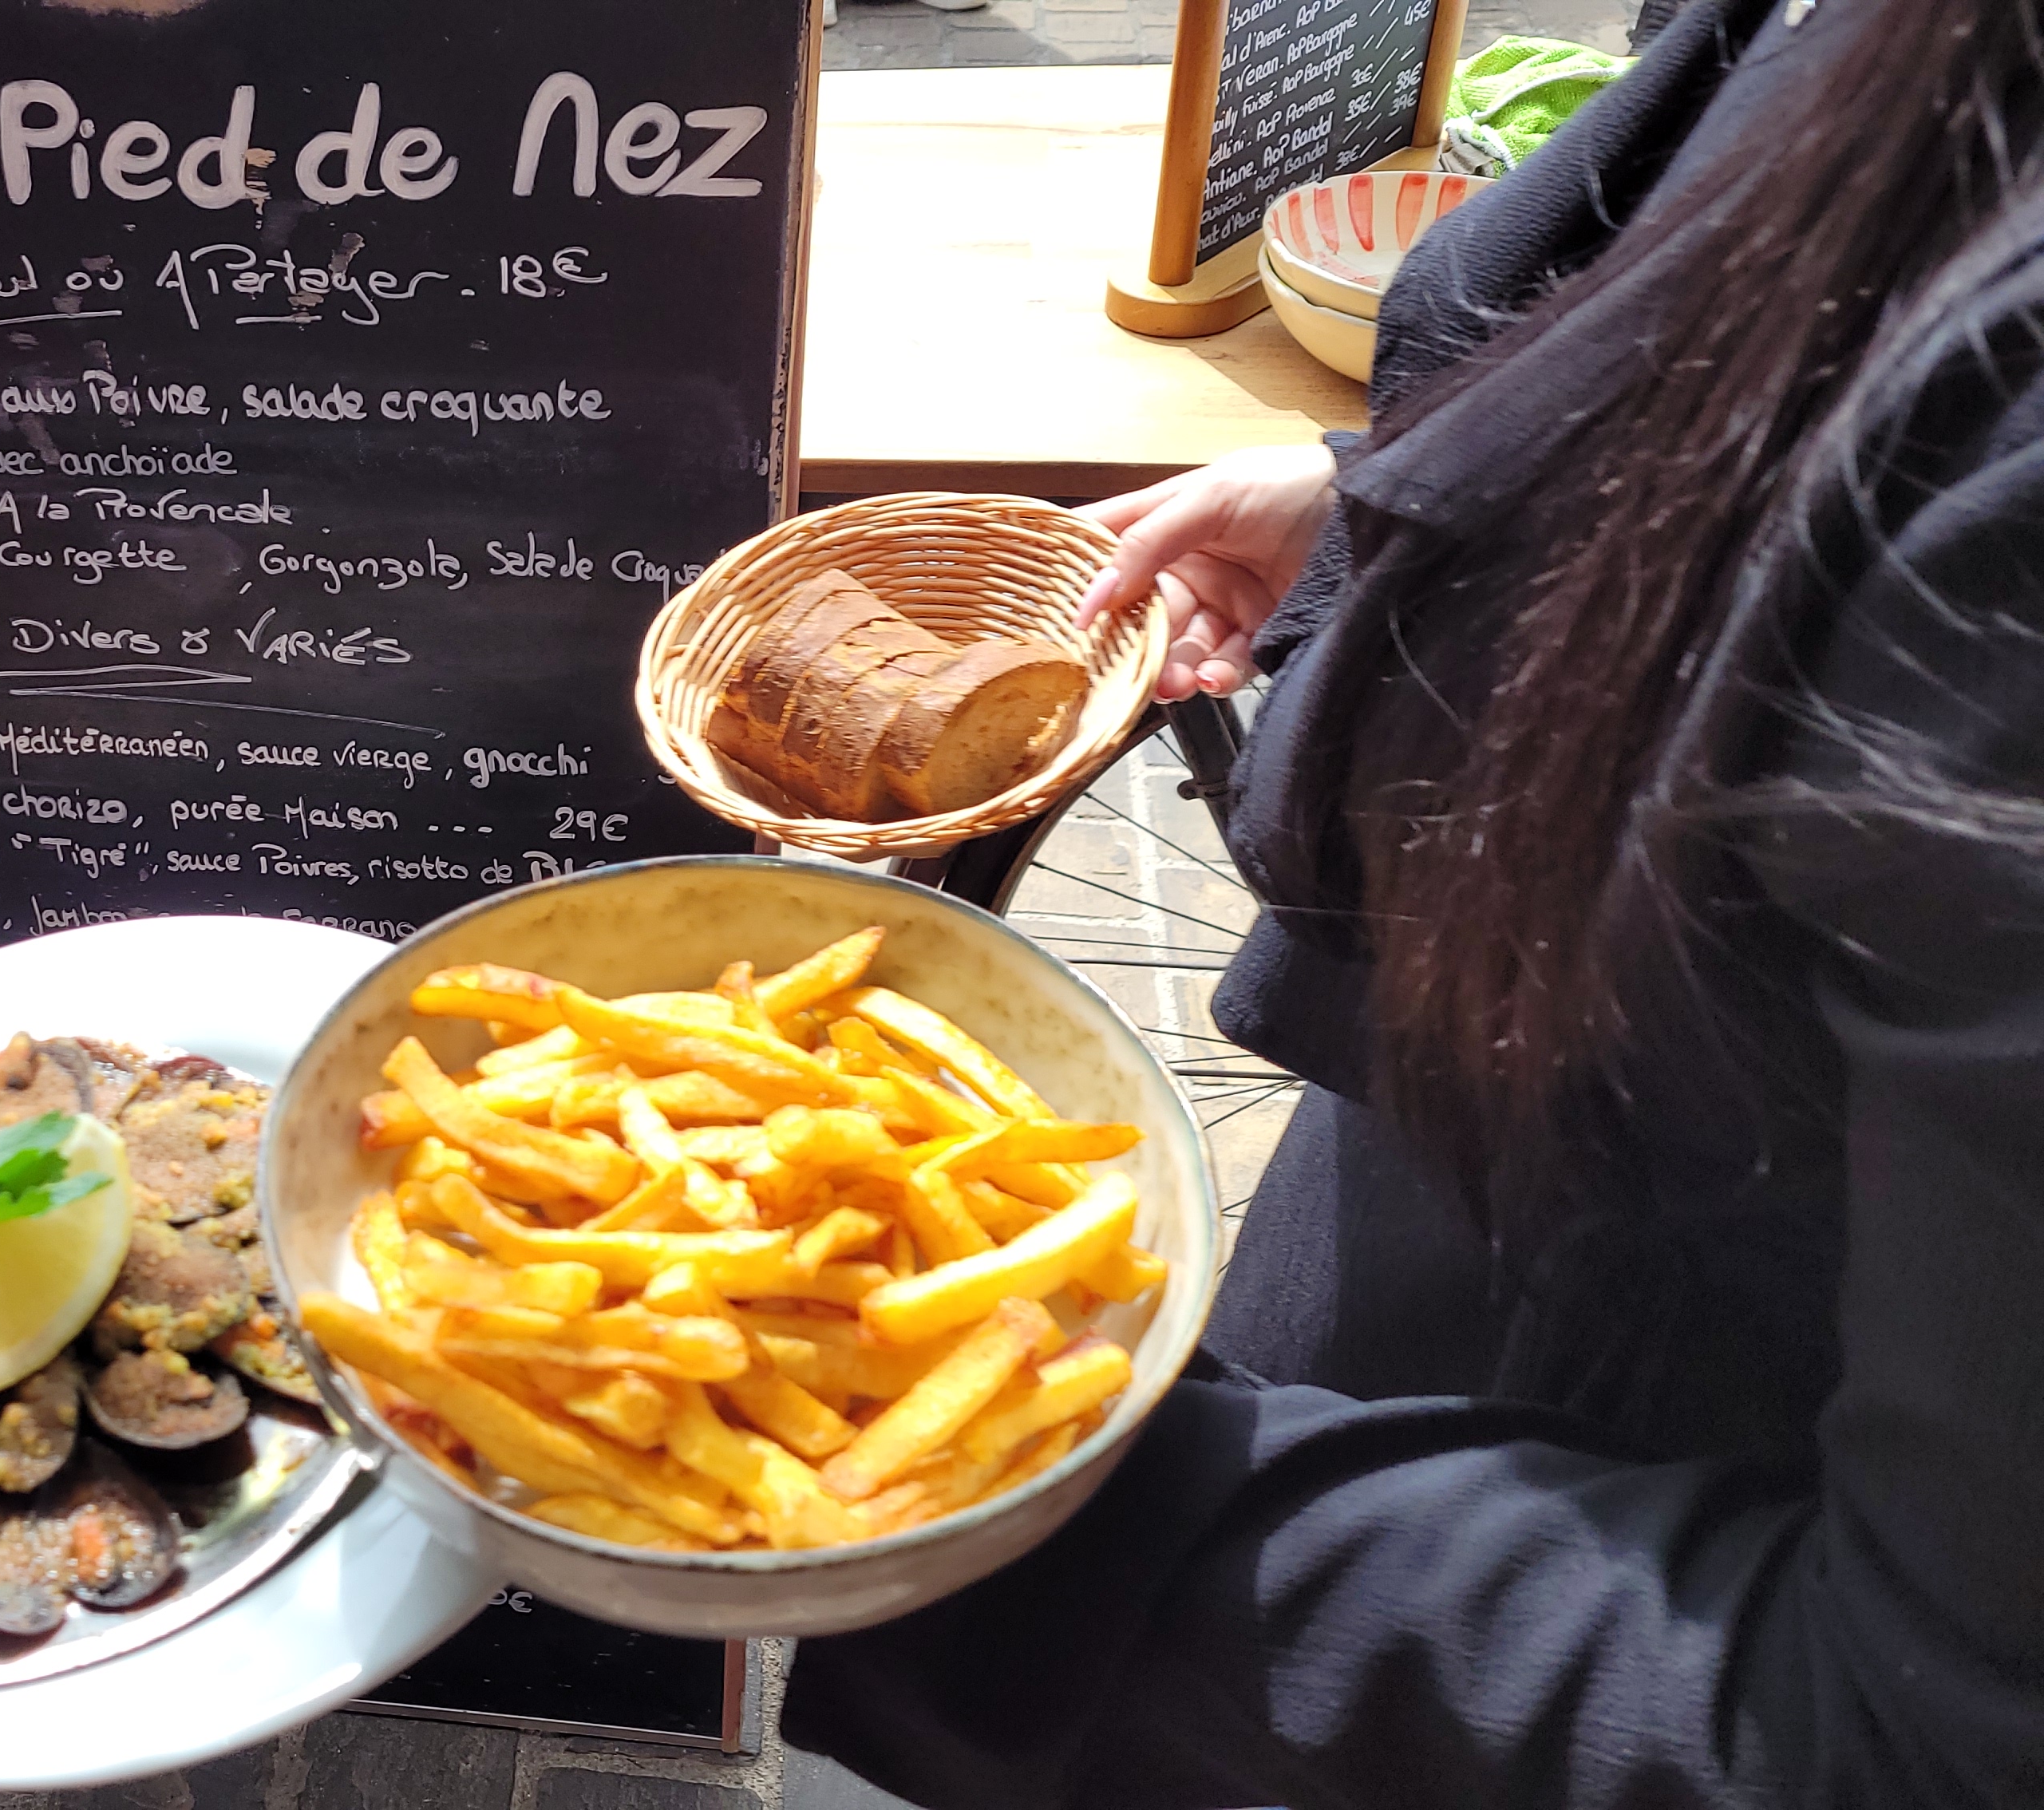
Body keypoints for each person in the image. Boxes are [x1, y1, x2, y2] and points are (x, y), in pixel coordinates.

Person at [780, 0, 2044, 1803]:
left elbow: (1927, 1734)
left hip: (1624, 1510)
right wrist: (1441, 504)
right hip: (1446, 1156)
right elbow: (1793, 322)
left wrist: (934, 1489)